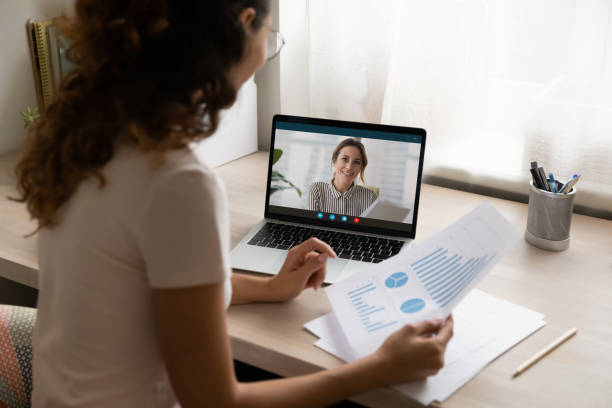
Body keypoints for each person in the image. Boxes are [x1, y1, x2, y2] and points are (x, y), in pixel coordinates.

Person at [14, 1, 453, 407]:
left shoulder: (87, 136)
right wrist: (380, 368)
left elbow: (154, 289)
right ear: (244, 24)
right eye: (270, 33)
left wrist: (271, 287)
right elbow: (217, 403)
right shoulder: (177, 183)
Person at [307, 138, 378, 217]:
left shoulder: (370, 197)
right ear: (334, 161)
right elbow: (313, 225)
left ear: (361, 167)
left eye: (356, 162)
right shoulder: (317, 189)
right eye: (345, 159)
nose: (349, 167)